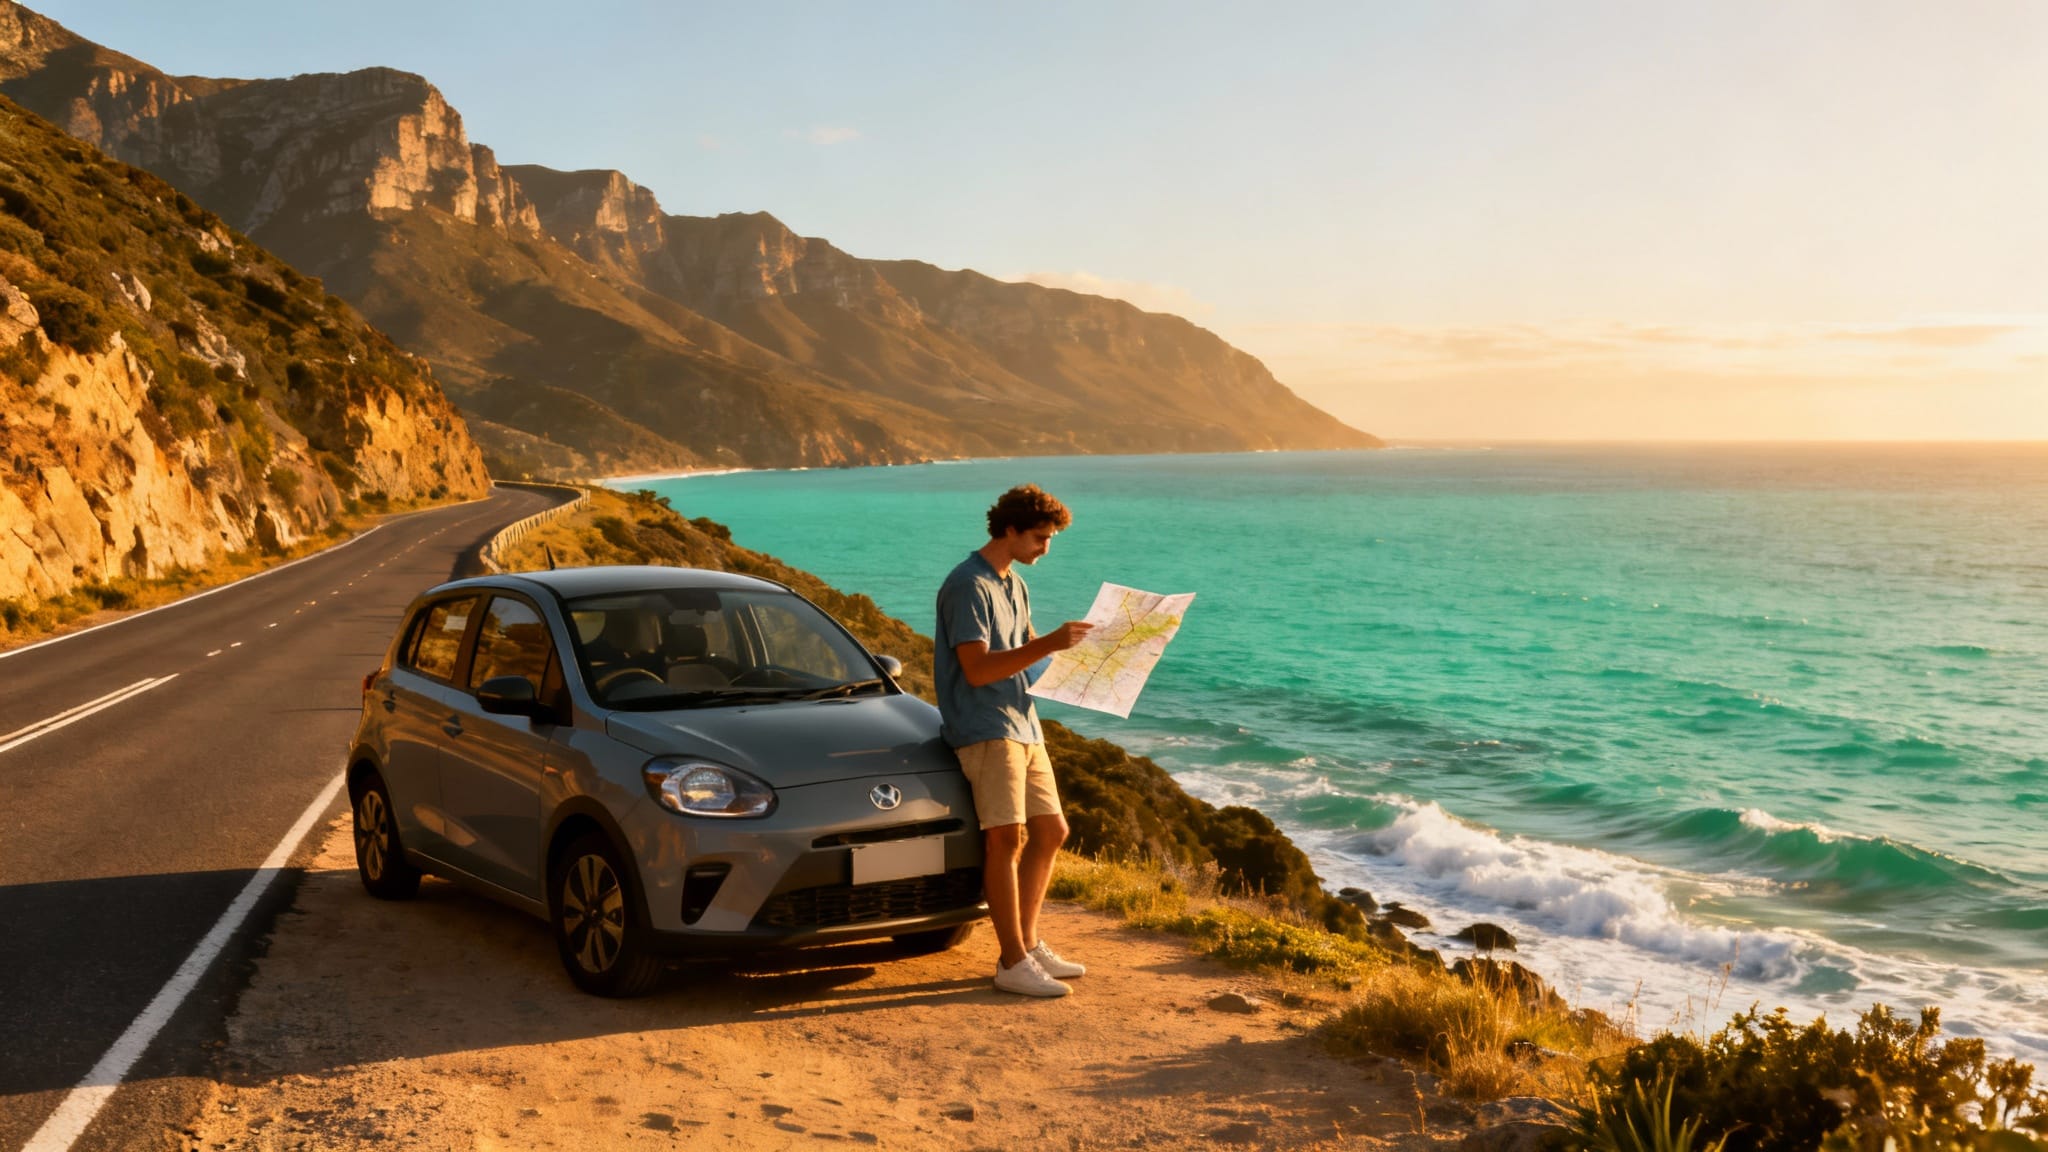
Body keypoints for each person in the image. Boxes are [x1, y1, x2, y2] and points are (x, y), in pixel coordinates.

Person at [935, 484, 1096, 997]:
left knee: (1052, 831)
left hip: (1023, 720)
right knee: (1005, 838)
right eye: (1040, 538)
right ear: (1010, 529)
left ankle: (1027, 943)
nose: (1046, 548)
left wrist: (1084, 665)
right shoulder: (968, 585)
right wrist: (1049, 642)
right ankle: (1011, 961)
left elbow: (1025, 654)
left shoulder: (1014, 584)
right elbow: (978, 671)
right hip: (985, 725)